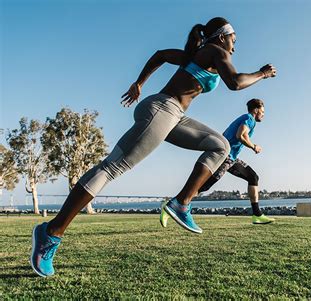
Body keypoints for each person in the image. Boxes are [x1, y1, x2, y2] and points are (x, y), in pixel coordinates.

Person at [30, 17, 277, 277]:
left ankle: (181, 203)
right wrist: (263, 73)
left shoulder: (195, 55)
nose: (234, 47)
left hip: (174, 116)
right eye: (233, 40)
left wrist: (140, 83)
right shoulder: (215, 51)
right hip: (163, 109)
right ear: (221, 36)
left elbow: (161, 55)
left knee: (220, 146)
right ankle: (51, 233)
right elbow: (235, 82)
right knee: (112, 168)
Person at [160, 98, 274, 226]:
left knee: (253, 177)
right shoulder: (249, 119)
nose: (263, 115)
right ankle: (174, 204)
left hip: (231, 158)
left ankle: (257, 215)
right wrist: (254, 146)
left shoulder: (245, 118)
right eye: (262, 112)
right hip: (225, 157)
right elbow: (241, 135)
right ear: (256, 110)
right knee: (204, 186)